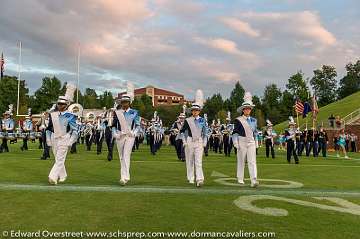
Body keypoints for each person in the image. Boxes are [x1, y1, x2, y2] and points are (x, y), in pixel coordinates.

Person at [46, 83, 79, 185]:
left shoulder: (71, 116)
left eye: (62, 104)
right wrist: (48, 138)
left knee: (60, 158)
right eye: (58, 104)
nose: (59, 105)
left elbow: (75, 129)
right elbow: (49, 128)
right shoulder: (53, 114)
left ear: (66, 105)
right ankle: (63, 175)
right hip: (54, 137)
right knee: (57, 158)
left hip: (65, 138)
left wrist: (71, 140)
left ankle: (52, 177)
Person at [112, 82, 140, 186]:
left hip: (129, 136)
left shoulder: (135, 112)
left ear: (129, 102)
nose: (124, 104)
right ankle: (124, 176)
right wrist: (115, 133)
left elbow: (137, 125)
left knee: (126, 155)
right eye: (122, 102)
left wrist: (134, 132)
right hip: (120, 136)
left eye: (126, 102)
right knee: (121, 156)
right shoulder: (117, 112)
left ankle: (124, 177)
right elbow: (113, 125)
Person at [180, 89, 207, 187]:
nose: (195, 112)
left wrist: (204, 142)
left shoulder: (203, 120)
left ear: (199, 111)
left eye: (196, 110)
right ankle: (191, 177)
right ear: (191, 111)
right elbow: (182, 132)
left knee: (198, 161)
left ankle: (199, 179)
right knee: (190, 160)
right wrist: (184, 141)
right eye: (193, 110)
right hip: (190, 141)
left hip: (199, 141)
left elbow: (205, 133)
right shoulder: (188, 120)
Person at [232, 92, 259, 188]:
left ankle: (254, 179)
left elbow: (255, 132)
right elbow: (235, 132)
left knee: (252, 161)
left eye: (249, 109)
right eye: (246, 109)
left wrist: (256, 142)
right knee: (241, 160)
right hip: (242, 141)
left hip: (251, 141)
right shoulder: (238, 120)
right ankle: (240, 177)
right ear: (243, 110)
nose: (248, 110)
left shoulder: (254, 120)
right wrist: (235, 142)